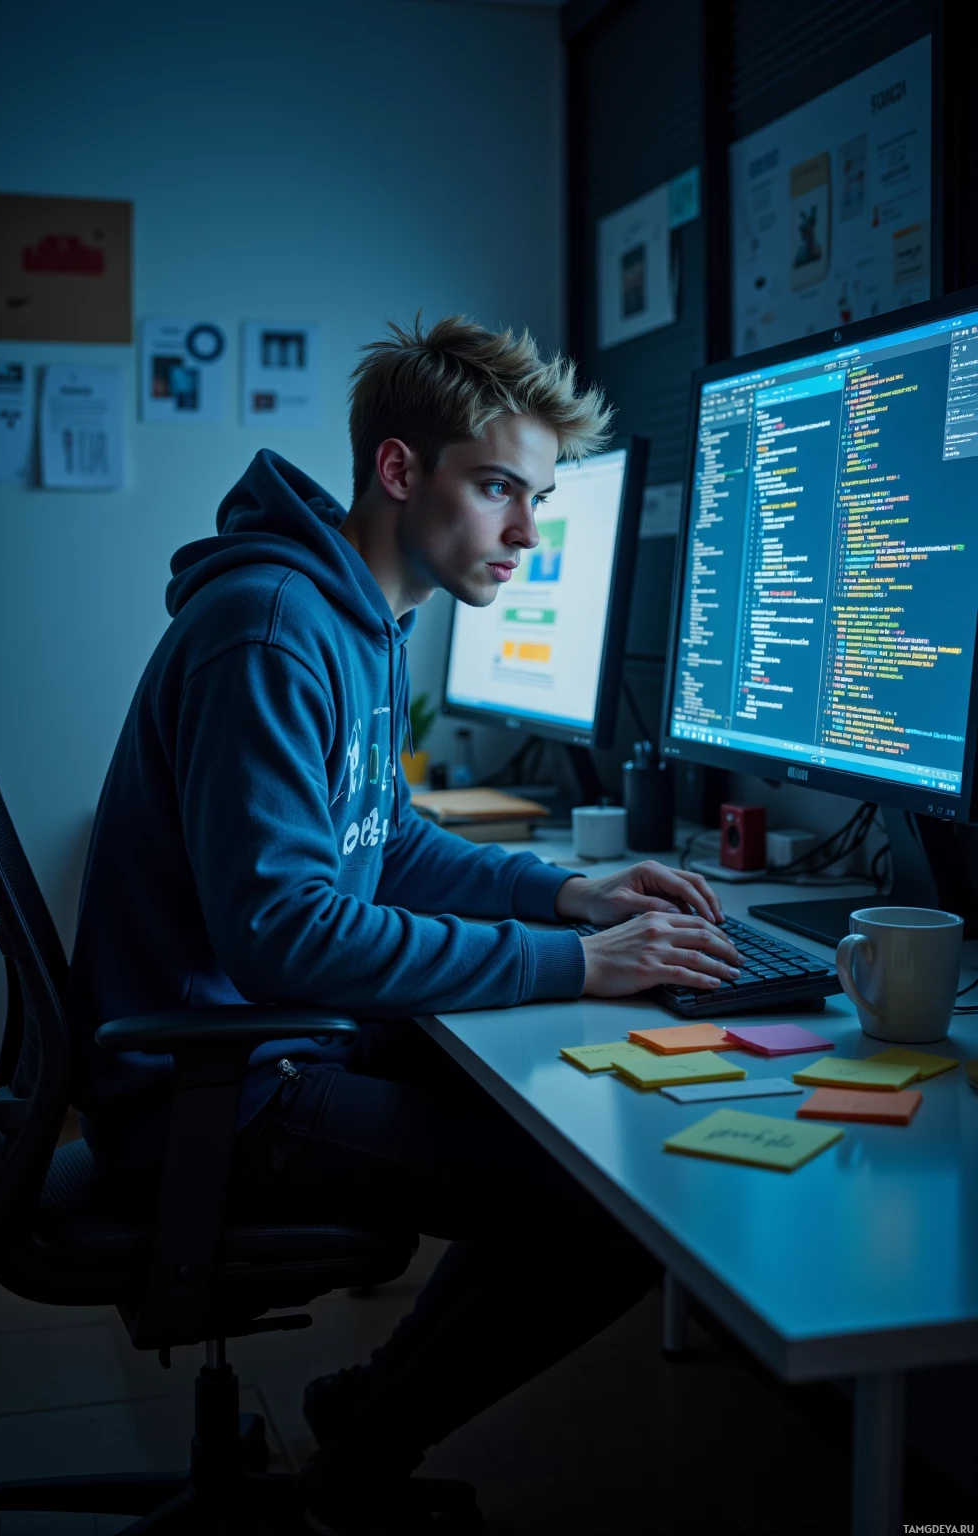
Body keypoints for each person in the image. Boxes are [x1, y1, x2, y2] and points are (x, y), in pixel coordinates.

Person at [67, 314, 741, 1534]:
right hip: (217, 1089)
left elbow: (384, 838)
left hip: (266, 1045)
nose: (528, 536)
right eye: (499, 491)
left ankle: (366, 1414)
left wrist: (564, 895)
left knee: (579, 1137)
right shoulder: (274, 629)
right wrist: (576, 961)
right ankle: (366, 1446)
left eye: (533, 498)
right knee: (622, 1207)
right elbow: (287, 930)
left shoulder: (359, 616)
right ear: (398, 471)